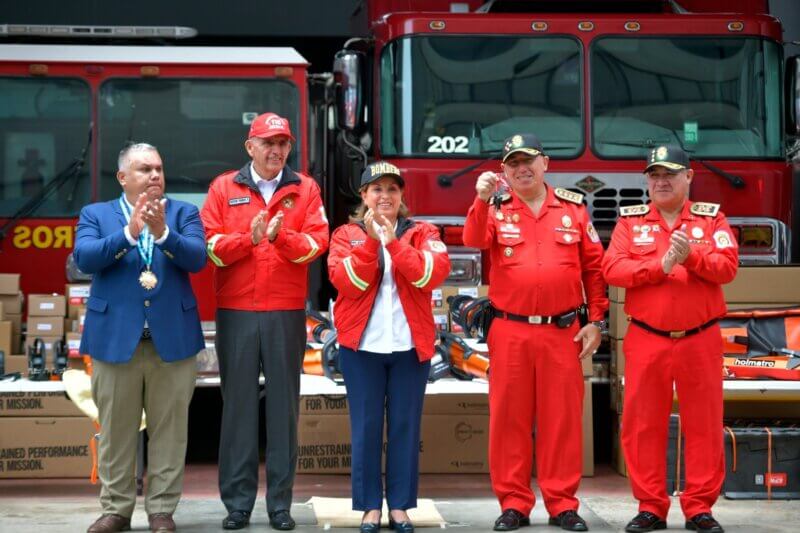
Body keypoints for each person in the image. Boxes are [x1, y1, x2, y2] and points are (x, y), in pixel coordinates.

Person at [462, 134, 607, 532]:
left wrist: (597, 321)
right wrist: (479, 199)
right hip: (510, 329)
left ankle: (562, 504)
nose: (521, 168)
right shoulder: (494, 208)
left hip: (563, 331)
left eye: (528, 161)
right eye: (513, 163)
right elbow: (473, 240)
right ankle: (514, 503)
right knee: (508, 419)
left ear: (544, 163)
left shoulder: (574, 209)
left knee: (562, 420)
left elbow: (594, 268)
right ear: (504, 170)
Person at [200, 112, 329, 531]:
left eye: (283, 143)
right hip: (236, 312)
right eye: (268, 143)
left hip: (285, 312)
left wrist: (280, 237)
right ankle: (238, 504)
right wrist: (250, 239)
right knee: (237, 408)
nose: (276, 151)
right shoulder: (224, 187)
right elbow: (212, 248)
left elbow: (316, 245)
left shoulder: (305, 188)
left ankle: (280, 505)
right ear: (249, 147)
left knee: (283, 410)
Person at [602, 145, 738, 533]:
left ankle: (699, 508)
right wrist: (658, 267)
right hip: (647, 338)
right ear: (647, 179)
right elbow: (612, 268)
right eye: (654, 175)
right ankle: (651, 507)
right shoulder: (630, 223)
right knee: (643, 425)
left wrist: (690, 257)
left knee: (704, 425)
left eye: (670, 174)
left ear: (689, 177)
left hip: (700, 338)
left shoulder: (712, 220)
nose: (661, 182)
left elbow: (728, 267)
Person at [75, 143, 206, 533]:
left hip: (172, 340)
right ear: (122, 178)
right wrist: (131, 233)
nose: (154, 176)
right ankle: (116, 509)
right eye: (144, 169)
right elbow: (85, 258)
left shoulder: (183, 213)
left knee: (170, 430)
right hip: (116, 340)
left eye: (159, 169)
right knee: (116, 430)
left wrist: (162, 232)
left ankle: (162, 509)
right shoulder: (95, 214)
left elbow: (197, 259)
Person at [327, 161, 450, 533]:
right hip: (361, 347)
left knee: (404, 426)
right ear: (363, 196)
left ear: (402, 196)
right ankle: (368, 508)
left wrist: (393, 242)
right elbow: (345, 282)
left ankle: (399, 507)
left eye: (392, 189)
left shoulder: (423, 232)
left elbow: (431, 274)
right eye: (376, 189)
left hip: (410, 347)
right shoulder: (345, 235)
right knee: (364, 427)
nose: (385, 196)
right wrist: (370, 241)